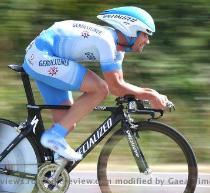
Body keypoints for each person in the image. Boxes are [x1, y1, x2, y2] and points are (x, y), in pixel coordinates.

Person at [22, 6, 170, 162]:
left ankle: (44, 164)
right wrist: (150, 95)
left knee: (66, 121)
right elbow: (114, 87)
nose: (147, 40)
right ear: (131, 30)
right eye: (146, 34)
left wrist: (153, 94)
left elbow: (120, 84)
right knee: (100, 89)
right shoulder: (106, 41)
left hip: (43, 57)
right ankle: (53, 137)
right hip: (42, 56)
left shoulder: (118, 49)